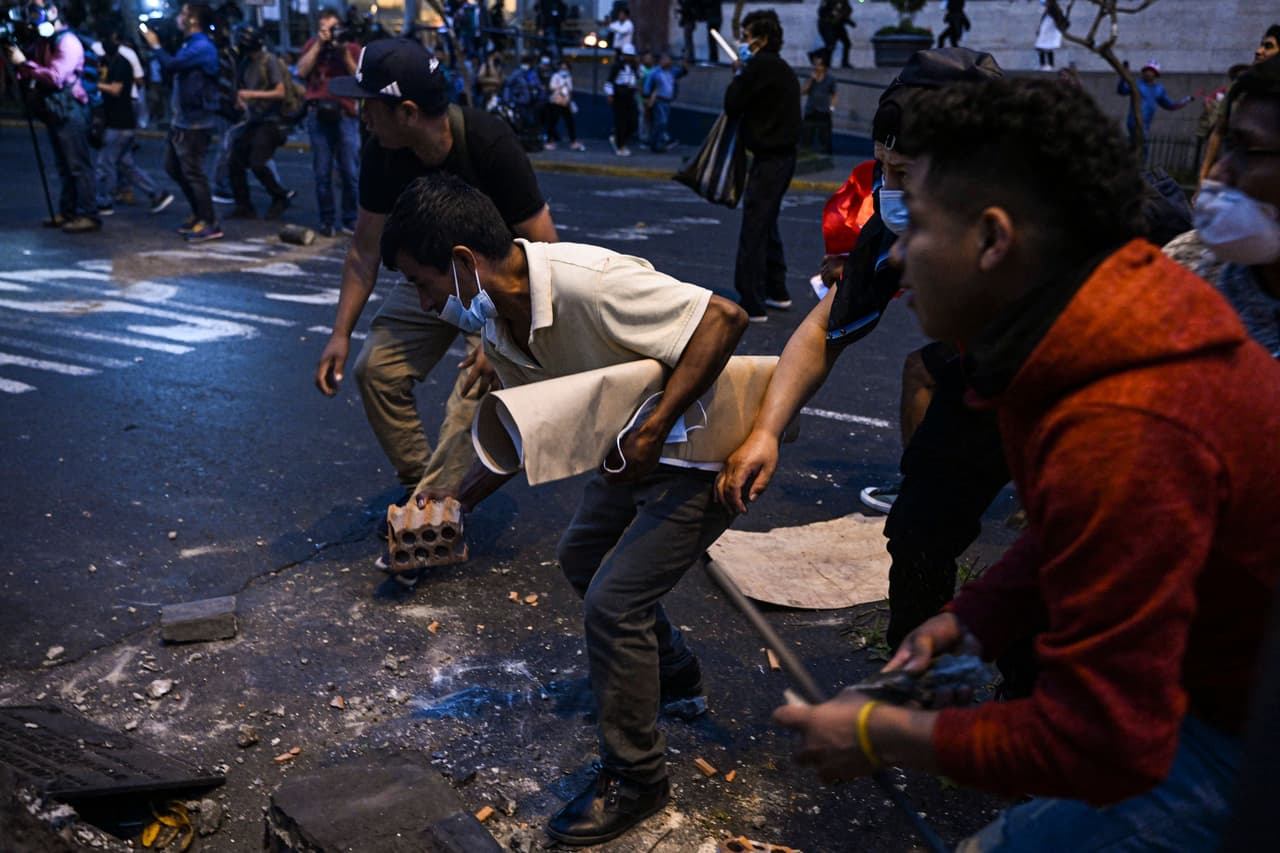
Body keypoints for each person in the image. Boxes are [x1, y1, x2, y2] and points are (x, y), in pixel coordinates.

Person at [772, 75, 1280, 852]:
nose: (898, 252)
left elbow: (1103, 741)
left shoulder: (1119, 418)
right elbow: (1072, 534)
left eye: (919, 226)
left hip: (1243, 740)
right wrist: (972, 620)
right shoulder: (1096, 320)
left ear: (994, 239)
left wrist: (883, 733)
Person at [378, 173, 747, 847]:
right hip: (631, 448)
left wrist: (655, 427)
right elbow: (525, 431)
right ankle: (673, 671)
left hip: (697, 448)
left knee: (615, 600)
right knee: (581, 556)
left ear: (463, 261)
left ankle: (637, 776)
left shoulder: (589, 283)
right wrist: (453, 505)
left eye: (424, 284)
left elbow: (724, 317)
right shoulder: (499, 322)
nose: (429, 304)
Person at [717, 45, 1005, 653]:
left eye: (906, 175)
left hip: (1070, 398)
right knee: (921, 525)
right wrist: (768, 429)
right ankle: (917, 678)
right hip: (989, 375)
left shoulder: (1081, 246)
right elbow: (827, 326)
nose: (898, 258)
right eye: (882, 169)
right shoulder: (898, 222)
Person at [315, 38, 557, 562]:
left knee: (476, 384)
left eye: (368, 104)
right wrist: (339, 333)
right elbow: (363, 251)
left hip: (493, 288)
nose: (360, 115)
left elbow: (546, 249)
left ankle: (439, 508)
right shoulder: (383, 152)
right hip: (426, 280)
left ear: (405, 111)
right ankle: (423, 489)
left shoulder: (489, 143)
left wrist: (504, 339)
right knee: (375, 368)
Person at [724, 10, 800, 320]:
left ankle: (751, 299)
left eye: (747, 35)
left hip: (770, 159)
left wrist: (739, 73)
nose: (743, 42)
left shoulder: (758, 68)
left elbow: (732, 104)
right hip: (783, 157)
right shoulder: (780, 68)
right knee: (766, 222)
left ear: (762, 39)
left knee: (755, 226)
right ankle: (776, 289)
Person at [7, 0, 100, 233]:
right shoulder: (43, 40)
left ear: (53, 10)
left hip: (71, 110)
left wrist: (24, 63)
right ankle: (68, 212)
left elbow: (56, 76)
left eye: (37, 7)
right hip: (55, 110)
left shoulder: (67, 41)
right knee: (64, 165)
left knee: (77, 165)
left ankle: (88, 214)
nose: (32, 13)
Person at [143, 2, 223, 242]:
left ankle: (209, 222)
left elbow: (171, 65)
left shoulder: (201, 46)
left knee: (193, 172)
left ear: (192, 19)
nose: (178, 17)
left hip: (196, 122)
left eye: (183, 13)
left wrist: (155, 45)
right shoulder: (191, 44)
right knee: (174, 167)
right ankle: (199, 214)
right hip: (183, 120)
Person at [93, 28, 174, 218]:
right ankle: (156, 194)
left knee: (105, 163)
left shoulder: (121, 63)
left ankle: (103, 200)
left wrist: (93, 84)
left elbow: (116, 89)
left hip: (120, 122)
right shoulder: (111, 61)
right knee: (125, 164)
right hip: (122, 121)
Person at [297, 7, 361, 237]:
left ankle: (350, 218)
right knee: (322, 172)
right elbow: (301, 71)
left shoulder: (351, 48)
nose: (330, 34)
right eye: (325, 29)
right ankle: (327, 219)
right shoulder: (314, 47)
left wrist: (343, 52)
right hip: (318, 114)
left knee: (350, 172)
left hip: (345, 115)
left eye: (333, 29)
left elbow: (360, 79)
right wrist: (318, 45)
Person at [1197, 24, 1278, 186]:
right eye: (1261, 45)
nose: (1259, 51)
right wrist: (1203, 177)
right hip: (1234, 182)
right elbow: (1218, 131)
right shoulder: (1241, 87)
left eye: (1268, 46)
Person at [226, 26, 294, 220]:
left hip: (272, 121)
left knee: (257, 162)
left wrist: (251, 94)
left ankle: (280, 196)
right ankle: (244, 205)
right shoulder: (245, 62)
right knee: (235, 160)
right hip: (254, 120)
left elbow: (280, 92)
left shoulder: (269, 61)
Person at [1117, 59, 1192, 158]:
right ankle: (1140, 169)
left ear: (1156, 74)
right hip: (1134, 121)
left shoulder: (1159, 89)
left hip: (1146, 123)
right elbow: (1121, 91)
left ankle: (1136, 169)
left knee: (1138, 147)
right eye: (1146, 70)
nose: (1148, 73)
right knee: (1142, 146)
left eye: (1151, 71)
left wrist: (1184, 101)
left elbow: (1169, 105)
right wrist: (1123, 76)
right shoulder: (1136, 84)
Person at [643, 52, 688, 152]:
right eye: (664, 59)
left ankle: (657, 142)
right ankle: (656, 143)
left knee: (663, 122)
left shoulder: (672, 72)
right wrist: (647, 98)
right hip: (658, 99)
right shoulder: (655, 72)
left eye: (668, 59)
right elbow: (648, 85)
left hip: (668, 100)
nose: (666, 62)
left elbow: (683, 72)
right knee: (660, 121)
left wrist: (684, 62)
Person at [604, 43, 639, 157]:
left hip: (630, 94)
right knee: (621, 121)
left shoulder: (634, 67)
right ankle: (620, 145)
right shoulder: (617, 66)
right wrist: (610, 95)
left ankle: (620, 138)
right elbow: (609, 81)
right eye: (628, 55)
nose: (630, 58)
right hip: (620, 95)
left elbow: (635, 79)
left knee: (633, 122)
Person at [801, 52, 836, 154]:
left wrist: (832, 107)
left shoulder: (830, 79)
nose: (816, 67)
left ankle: (826, 154)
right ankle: (805, 152)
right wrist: (812, 80)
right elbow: (803, 91)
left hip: (824, 110)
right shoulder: (810, 77)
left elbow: (834, 94)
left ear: (824, 66)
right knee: (807, 135)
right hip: (811, 110)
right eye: (815, 64)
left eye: (819, 65)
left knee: (825, 136)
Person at [544, 58, 582, 151]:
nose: (564, 70)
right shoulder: (555, 76)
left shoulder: (569, 77)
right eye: (562, 68)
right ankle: (549, 141)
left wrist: (567, 99)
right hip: (556, 102)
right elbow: (551, 87)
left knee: (570, 123)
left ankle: (573, 141)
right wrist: (560, 87)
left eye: (565, 68)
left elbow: (570, 89)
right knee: (553, 122)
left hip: (566, 103)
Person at [817, 0, 854, 69]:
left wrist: (847, 20)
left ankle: (844, 62)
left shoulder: (844, 2)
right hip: (827, 26)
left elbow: (847, 11)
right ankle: (825, 62)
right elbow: (821, 12)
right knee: (830, 45)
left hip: (838, 26)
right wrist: (831, 16)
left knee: (847, 43)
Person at [1034, 0, 1065, 71]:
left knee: (1048, 49)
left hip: (1049, 34)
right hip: (1044, 34)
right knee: (1041, 48)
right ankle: (1043, 64)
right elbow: (1043, 22)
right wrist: (1039, 30)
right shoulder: (1047, 11)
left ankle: (1049, 65)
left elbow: (1057, 22)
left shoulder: (1054, 11)